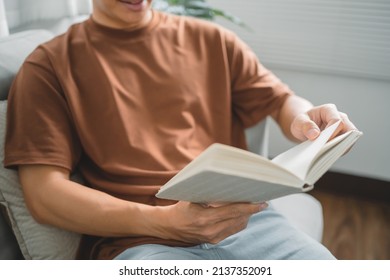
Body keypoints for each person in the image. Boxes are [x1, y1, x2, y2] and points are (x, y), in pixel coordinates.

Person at [4, 0, 356, 260]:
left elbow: (281, 101)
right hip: (141, 241)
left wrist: (308, 119)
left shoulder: (213, 40)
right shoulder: (48, 67)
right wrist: (165, 223)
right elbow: (43, 195)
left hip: (247, 223)